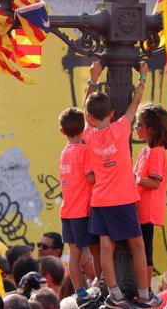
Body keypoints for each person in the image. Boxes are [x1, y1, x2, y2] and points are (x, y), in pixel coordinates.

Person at [83, 61, 160, 307]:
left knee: (106, 247)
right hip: (124, 200)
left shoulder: (89, 135)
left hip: (101, 201)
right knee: (137, 245)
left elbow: (86, 111)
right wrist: (143, 77)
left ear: (90, 118)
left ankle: (114, 294)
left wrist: (93, 78)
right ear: (112, 114)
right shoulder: (121, 128)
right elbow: (135, 103)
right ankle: (144, 293)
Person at [57, 106, 101, 307]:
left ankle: (80, 292)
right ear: (84, 128)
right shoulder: (85, 151)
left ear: (61, 131)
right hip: (83, 211)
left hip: (67, 212)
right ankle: (102, 286)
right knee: (96, 250)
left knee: (74, 254)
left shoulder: (64, 153)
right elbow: (91, 177)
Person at [133, 103, 167, 285]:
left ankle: (146, 289)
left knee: (145, 250)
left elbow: (155, 183)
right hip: (139, 207)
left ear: (151, 129)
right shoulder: (145, 151)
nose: (136, 127)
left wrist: (134, 179)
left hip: (147, 211)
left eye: (140, 124)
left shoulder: (156, 152)